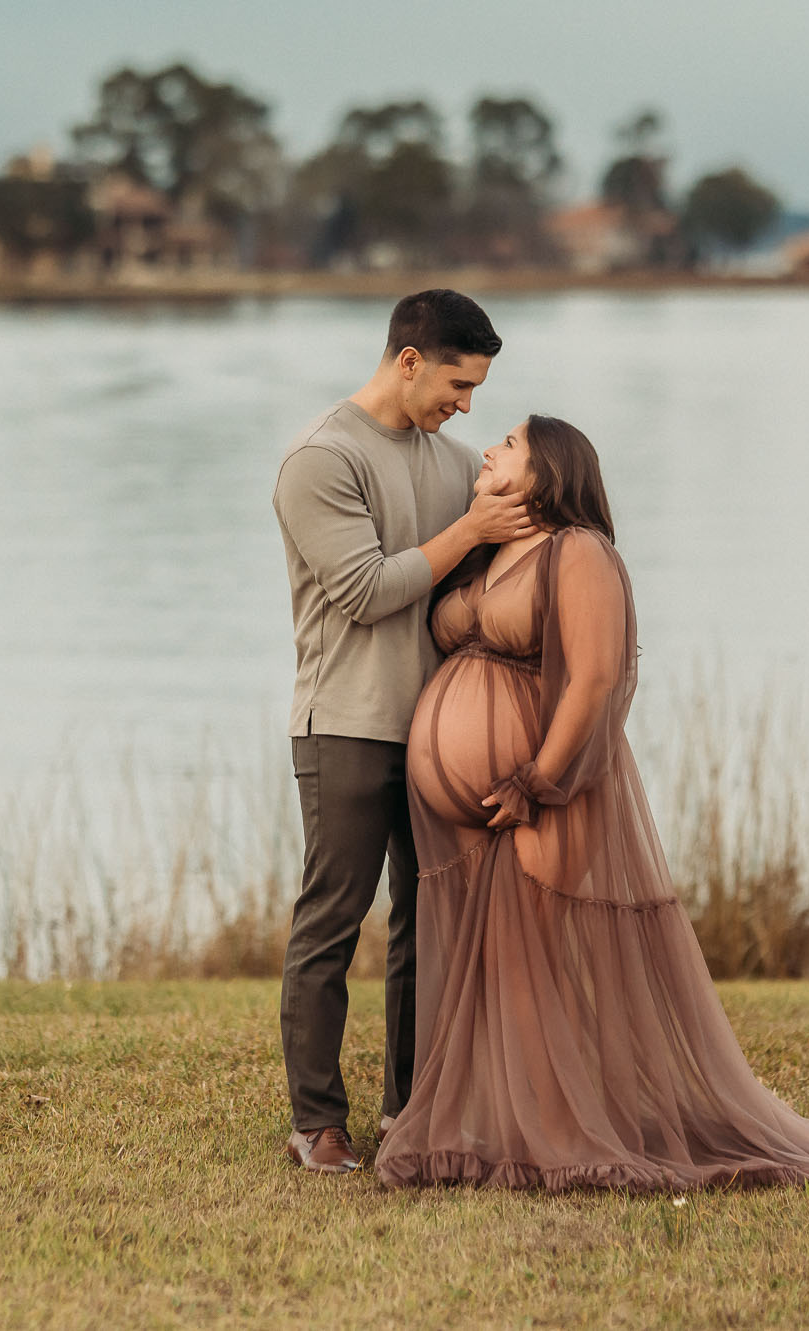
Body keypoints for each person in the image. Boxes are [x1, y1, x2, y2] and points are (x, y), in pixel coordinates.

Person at [374, 415, 809, 1192]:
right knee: (495, 975)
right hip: (468, 818)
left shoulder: (579, 552)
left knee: (533, 967)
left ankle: (562, 1135)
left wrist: (536, 780)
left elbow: (597, 679)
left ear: (550, 473)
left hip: (543, 797)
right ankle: (518, 1126)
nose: (487, 449)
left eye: (509, 445)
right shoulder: (485, 550)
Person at [271, 290, 535, 1174]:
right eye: (458, 384)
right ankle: (319, 1124)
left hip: (438, 736)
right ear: (409, 359)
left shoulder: (459, 463)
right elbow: (365, 591)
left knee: (430, 924)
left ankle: (413, 1111)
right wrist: (471, 529)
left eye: (477, 390)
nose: (466, 406)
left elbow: (507, 564)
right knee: (332, 925)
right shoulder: (321, 458)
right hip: (345, 726)